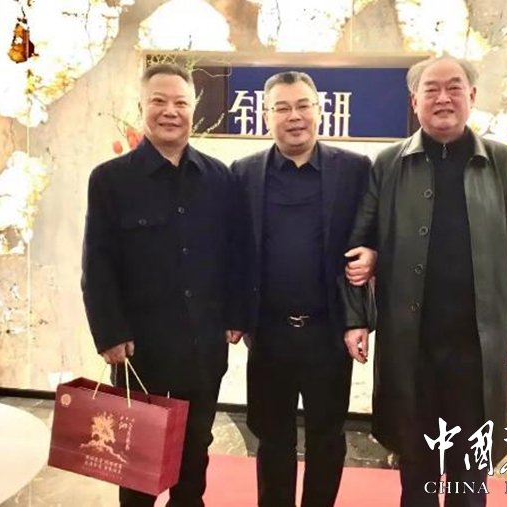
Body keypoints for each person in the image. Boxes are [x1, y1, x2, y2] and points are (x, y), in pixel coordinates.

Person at [343, 56, 507, 507]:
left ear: (472, 96)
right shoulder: (390, 163)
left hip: (477, 347)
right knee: (417, 468)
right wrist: (356, 319)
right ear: (414, 101)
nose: (443, 98)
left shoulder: (501, 163)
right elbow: (359, 246)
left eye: (454, 87)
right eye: (431, 89)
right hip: (412, 345)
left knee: (471, 471)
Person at [81, 63, 242, 507]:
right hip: (140, 351)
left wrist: (236, 316)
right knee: (136, 456)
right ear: (142, 107)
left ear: (193, 109)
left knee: (196, 451)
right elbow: (98, 263)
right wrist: (109, 333)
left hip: (203, 345)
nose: (170, 111)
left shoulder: (219, 178)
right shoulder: (110, 180)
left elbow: (235, 254)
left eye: (180, 103)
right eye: (159, 101)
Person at [229, 71, 374, 507]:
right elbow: (231, 247)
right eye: (282, 108)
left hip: (328, 331)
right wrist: (234, 314)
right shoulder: (244, 173)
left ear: (319, 110)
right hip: (269, 332)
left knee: (327, 437)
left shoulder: (354, 170)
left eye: (302, 106)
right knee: (271, 436)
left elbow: (375, 232)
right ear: (266, 116)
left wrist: (374, 255)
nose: (294, 117)